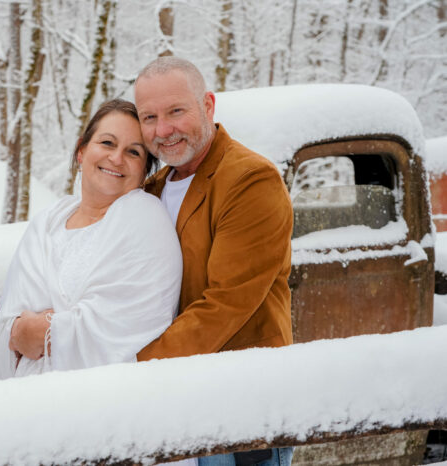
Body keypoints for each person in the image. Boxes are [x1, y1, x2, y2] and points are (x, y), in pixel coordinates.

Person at [133, 57, 294, 466]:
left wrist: (130, 368)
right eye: (149, 117)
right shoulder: (149, 190)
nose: (162, 130)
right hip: (174, 406)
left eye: (175, 111)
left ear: (208, 105)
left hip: (238, 409)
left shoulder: (249, 179)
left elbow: (226, 304)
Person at [0, 99, 183, 380]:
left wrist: (43, 330)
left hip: (100, 397)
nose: (116, 158)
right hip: (21, 394)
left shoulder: (145, 219)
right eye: (107, 143)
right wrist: (22, 331)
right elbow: (5, 328)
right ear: (81, 150)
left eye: (133, 152)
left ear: (144, 172)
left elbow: (127, 324)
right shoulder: (47, 222)